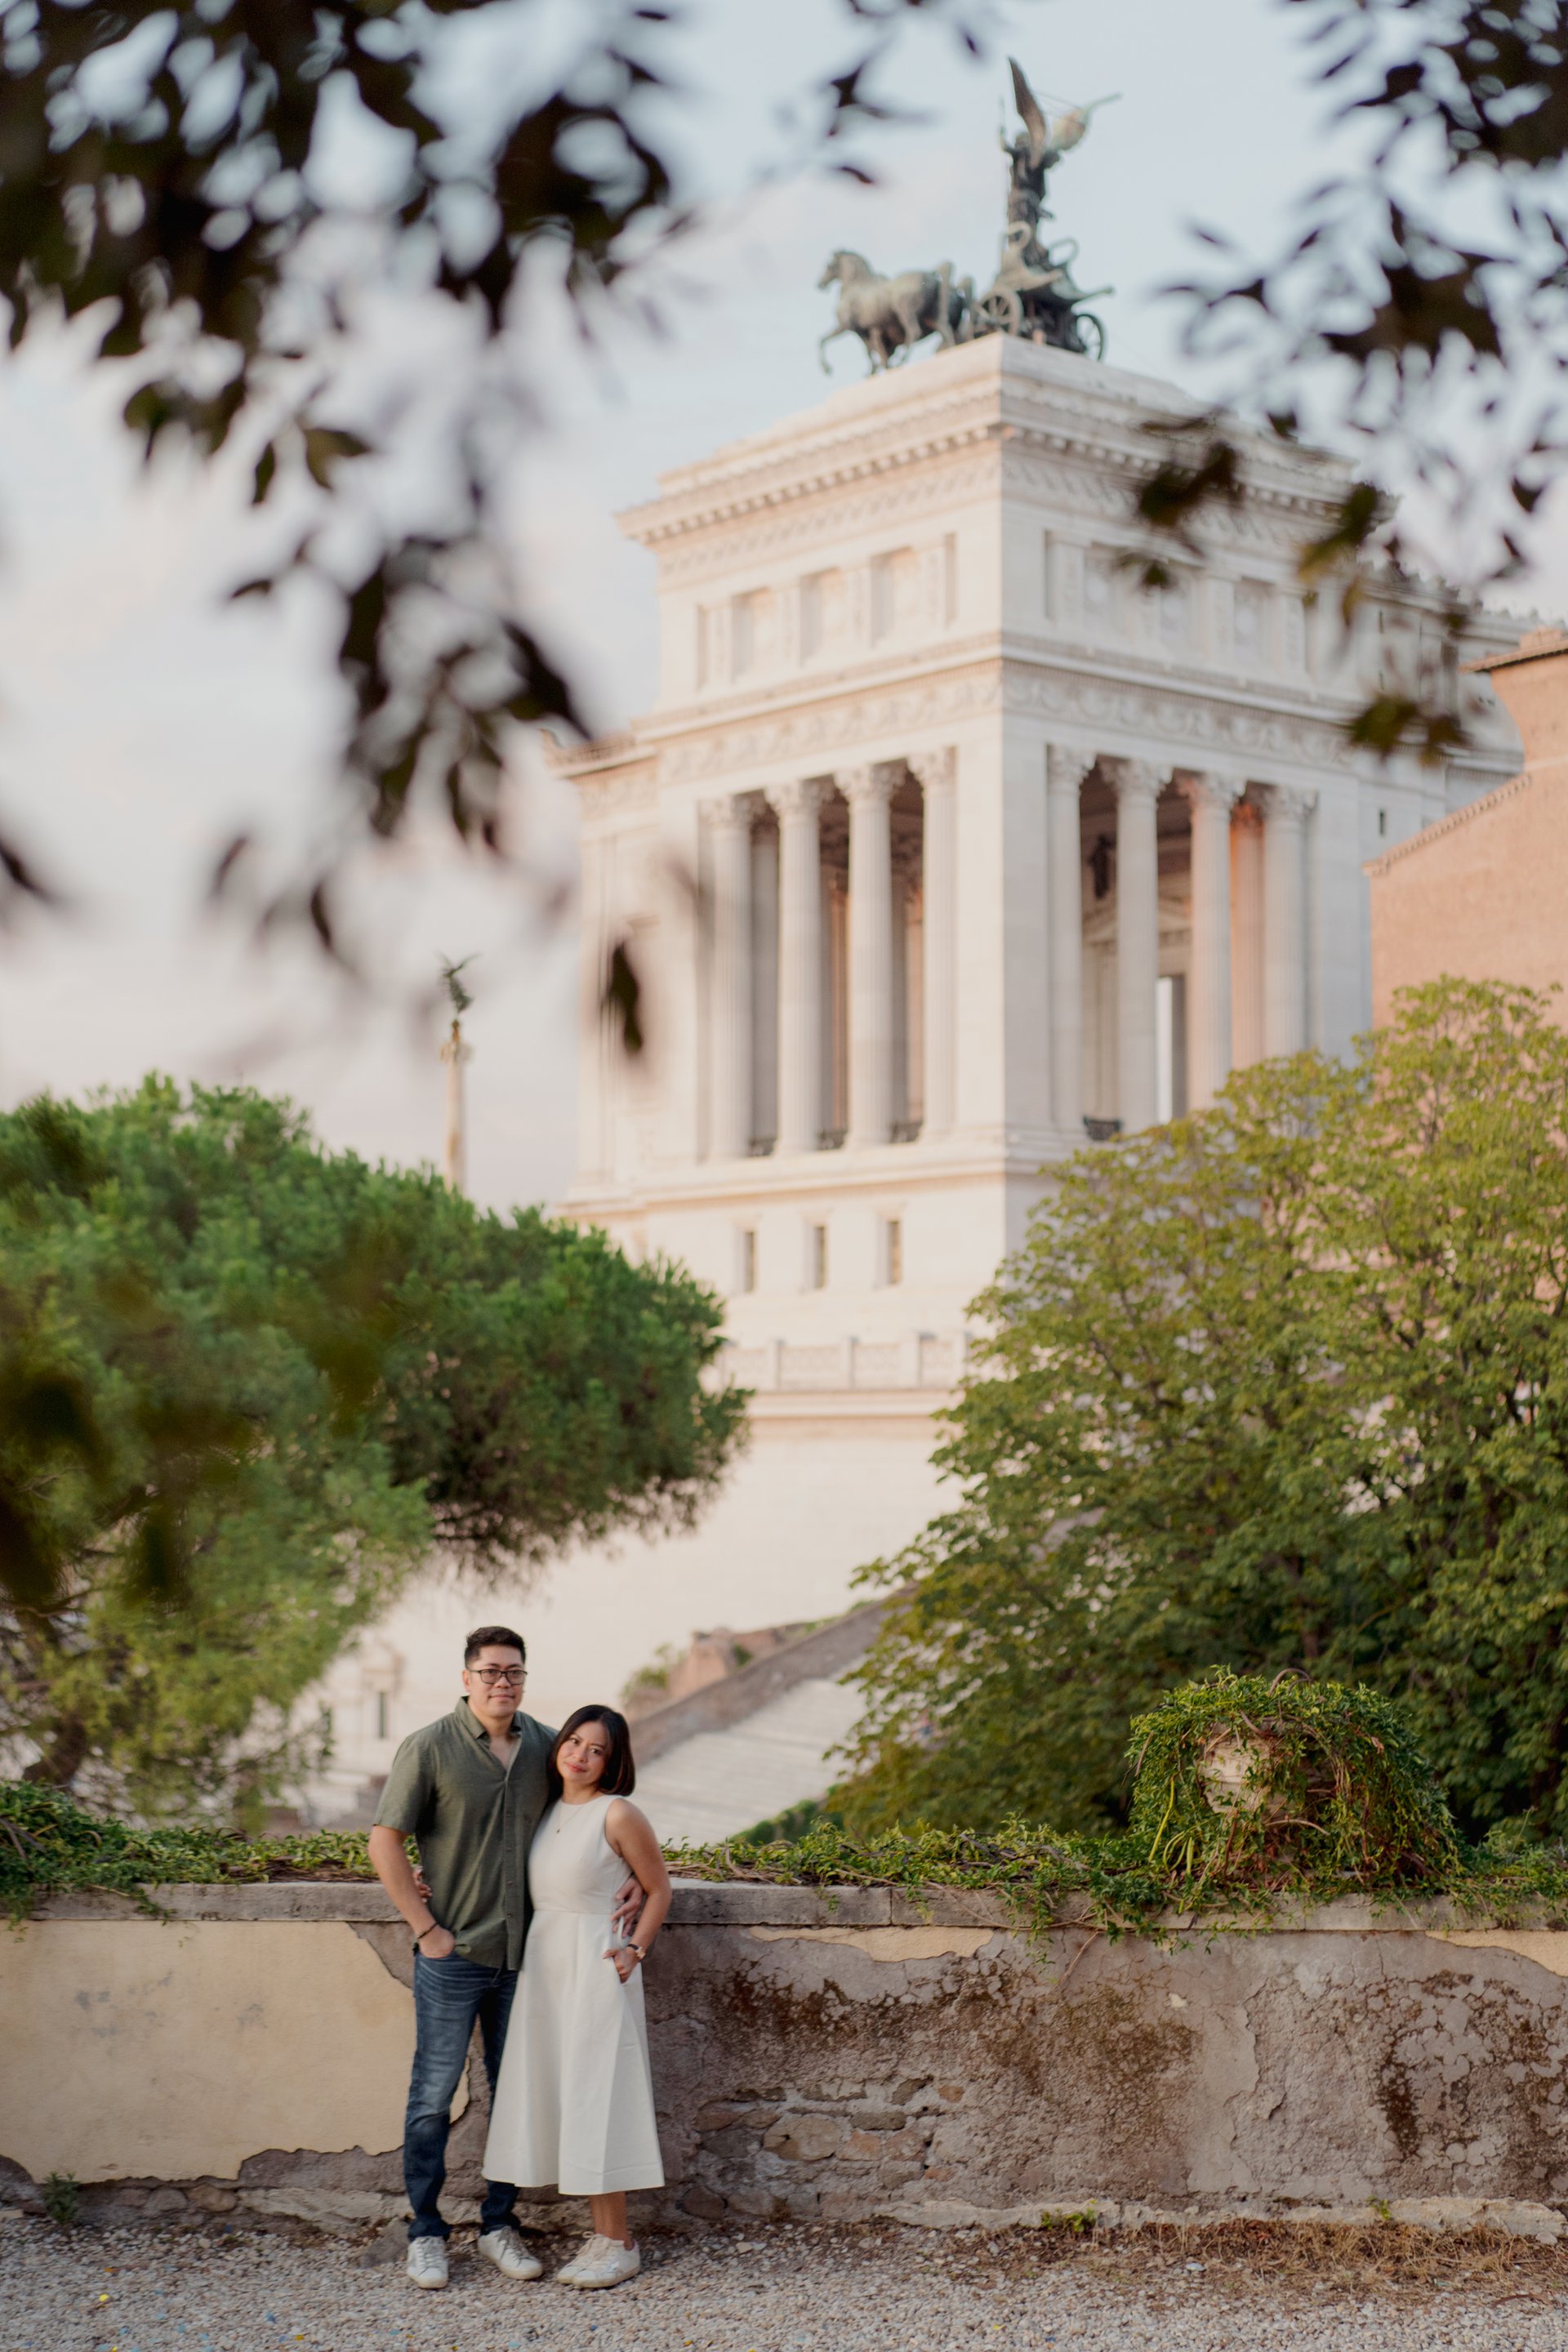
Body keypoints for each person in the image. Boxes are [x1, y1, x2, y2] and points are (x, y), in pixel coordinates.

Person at [368, 1628, 641, 2293]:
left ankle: (499, 2224)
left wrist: (635, 1875)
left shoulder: (550, 1746)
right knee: (432, 2097)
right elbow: (384, 1842)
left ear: (525, 1678)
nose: (502, 1683)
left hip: (530, 1961)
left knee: (516, 2094)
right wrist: (425, 1926)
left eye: (513, 1673)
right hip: (454, 1952)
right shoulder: (428, 1747)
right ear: (465, 1678)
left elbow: (595, 1816)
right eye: (489, 1672)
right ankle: (427, 2234)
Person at [483, 1704, 672, 2291]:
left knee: (597, 2094)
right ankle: (599, 2235)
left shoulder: (617, 1813)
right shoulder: (548, 1810)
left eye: (597, 1750)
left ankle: (620, 2242)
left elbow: (659, 1886)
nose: (581, 1755)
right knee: (564, 2093)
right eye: (574, 1741)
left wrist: (633, 1950)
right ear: (559, 1745)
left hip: (595, 1963)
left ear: (612, 1763)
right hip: (547, 1964)